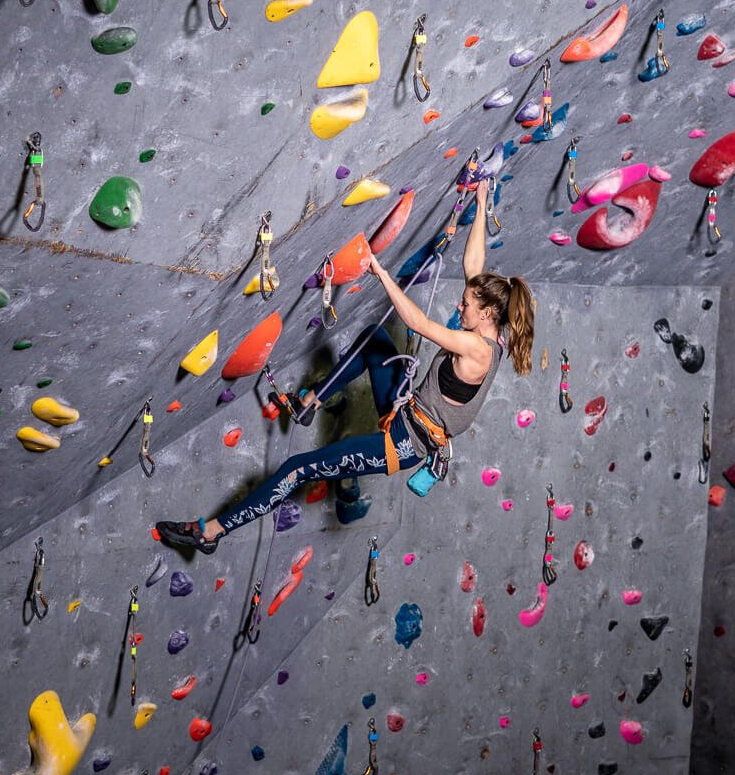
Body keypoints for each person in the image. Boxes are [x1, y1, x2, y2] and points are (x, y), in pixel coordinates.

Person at [156, 186, 535, 553]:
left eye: (467, 304)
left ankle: (212, 532)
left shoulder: (478, 349)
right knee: (375, 339)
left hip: (401, 444)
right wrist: (482, 199)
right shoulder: (492, 330)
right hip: (404, 413)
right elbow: (474, 265)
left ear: (486, 313)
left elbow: (419, 323)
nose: (460, 305)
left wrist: (379, 271)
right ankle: (312, 401)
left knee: (296, 469)